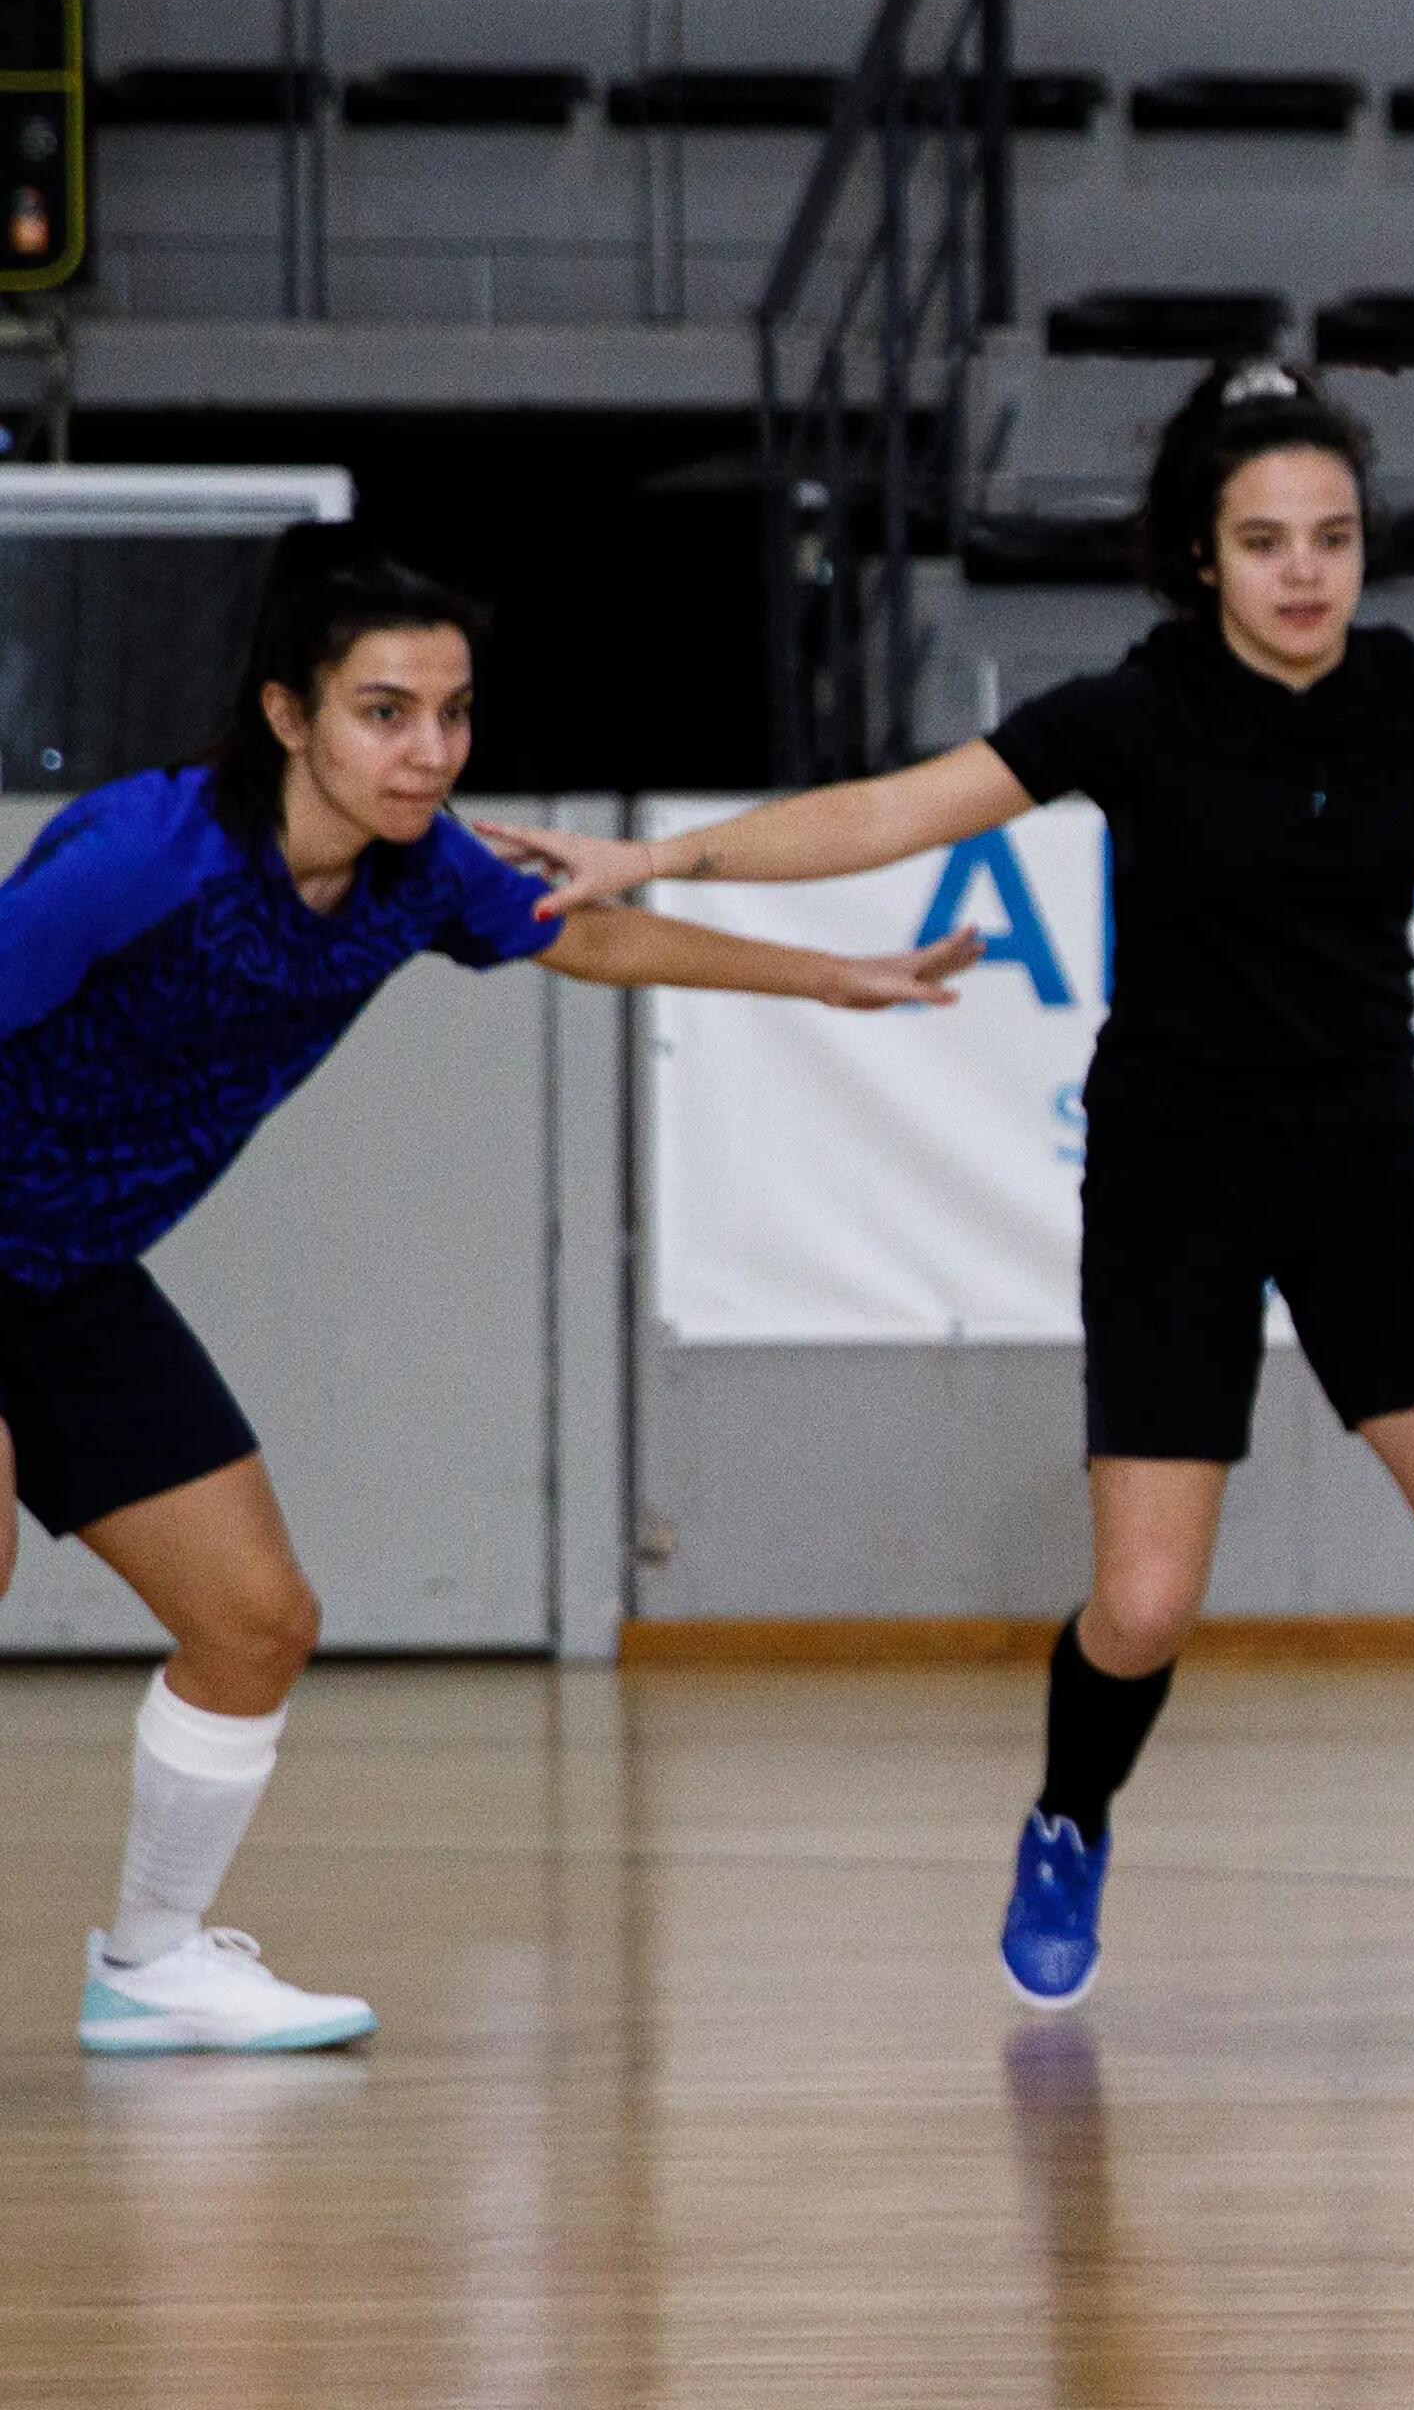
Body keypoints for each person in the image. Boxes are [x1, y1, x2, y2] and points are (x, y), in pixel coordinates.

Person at [491, 358, 1414, 2016]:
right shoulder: (1133, 710)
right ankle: (1068, 1820)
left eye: (1331, 537)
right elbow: (885, 809)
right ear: (1202, 558)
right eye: (1265, 539)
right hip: (1173, 1180)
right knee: (1145, 1602)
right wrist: (654, 855)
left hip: (1364, 1168)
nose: (1303, 570)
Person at [1, 527, 972, 2053]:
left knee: (255, 1620)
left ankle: (150, 1961)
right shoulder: (142, 857)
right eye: (386, 711)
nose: (430, 749)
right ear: (286, 715)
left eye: (453, 713)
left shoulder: (416, 871)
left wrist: (830, 980)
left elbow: (581, 926)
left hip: (62, 1273)